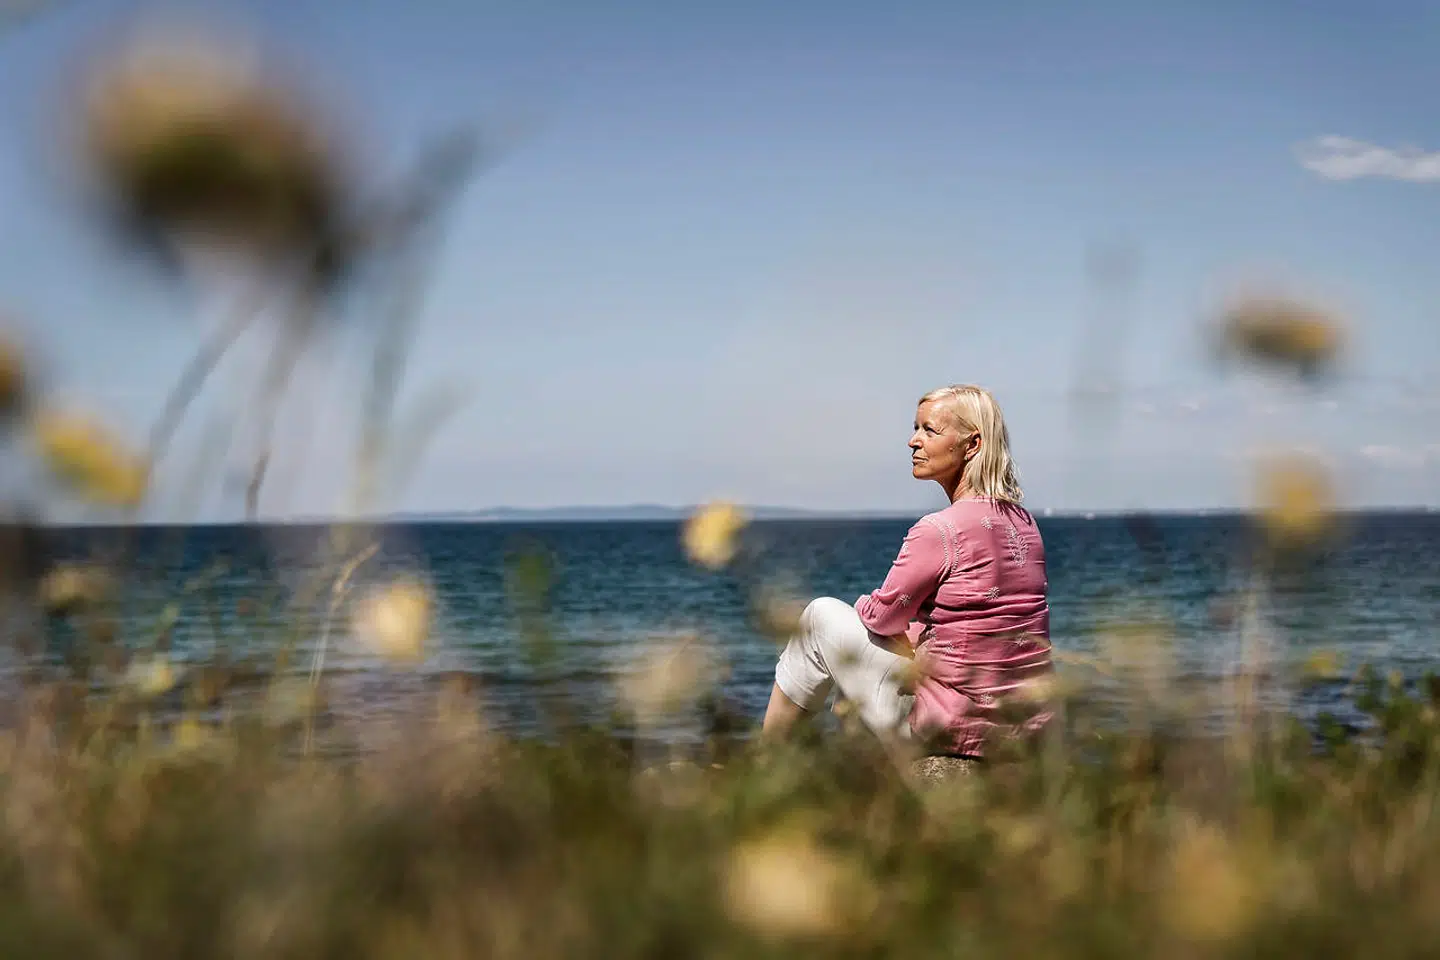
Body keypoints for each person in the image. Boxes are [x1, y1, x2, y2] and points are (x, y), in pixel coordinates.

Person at [761, 384, 1053, 759]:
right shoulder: (1024, 523)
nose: (913, 442)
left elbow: (881, 618)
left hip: (952, 728)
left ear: (972, 445)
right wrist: (919, 631)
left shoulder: (939, 529)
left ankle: (767, 760)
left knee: (818, 618)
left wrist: (885, 618)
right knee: (896, 644)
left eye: (929, 430)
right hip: (1027, 729)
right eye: (916, 428)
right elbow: (982, 617)